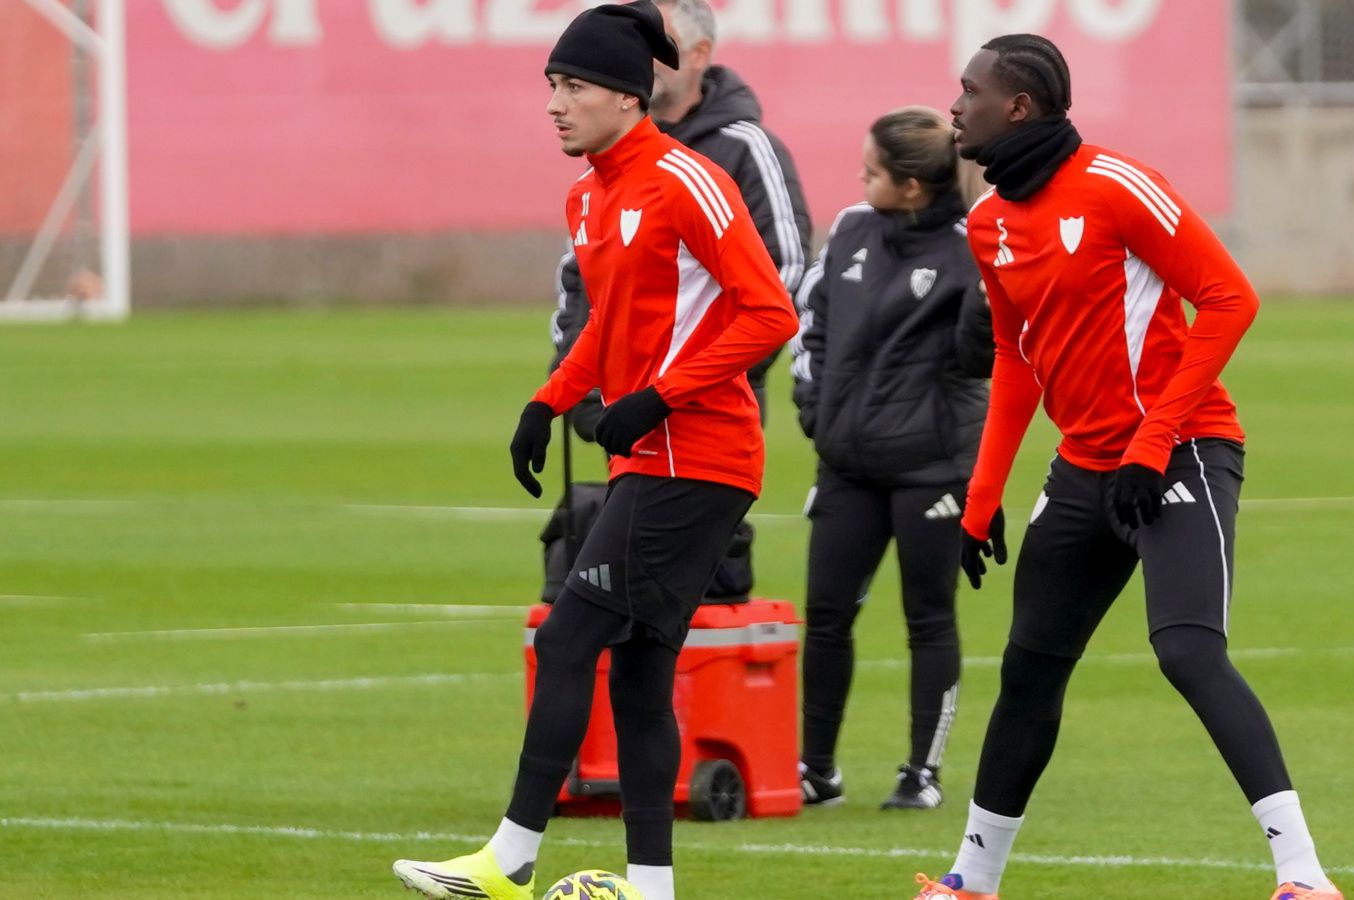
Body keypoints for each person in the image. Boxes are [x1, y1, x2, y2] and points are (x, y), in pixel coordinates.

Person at [910, 34, 1342, 900]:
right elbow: (1015, 357)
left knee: (1187, 653)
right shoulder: (989, 222)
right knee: (1030, 670)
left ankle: (1304, 877)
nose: (954, 107)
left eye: (969, 91)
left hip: (1180, 451)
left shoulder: (1115, 186)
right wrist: (981, 496)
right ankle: (970, 883)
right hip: (1084, 471)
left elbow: (1231, 300)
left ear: (1018, 107)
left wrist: (1151, 445)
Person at [391, 5, 798, 900]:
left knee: (570, 638)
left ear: (626, 95)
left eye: (572, 88)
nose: (555, 105)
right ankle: (650, 887)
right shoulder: (590, 194)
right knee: (643, 676)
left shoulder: (687, 179)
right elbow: (608, 327)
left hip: (699, 456)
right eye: (550, 87)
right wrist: (549, 401)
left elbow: (771, 311)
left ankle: (509, 859)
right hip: (650, 461)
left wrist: (660, 395)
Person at [790, 106, 993, 812]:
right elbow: (810, 325)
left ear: (912, 187)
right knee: (826, 614)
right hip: (846, 462)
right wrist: (816, 412)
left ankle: (922, 773)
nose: (859, 178)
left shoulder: (974, 247)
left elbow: (983, 356)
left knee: (928, 616)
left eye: (871, 170)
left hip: (930, 468)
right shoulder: (850, 229)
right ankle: (815, 769)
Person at [550, 0, 811, 433]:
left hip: (703, 409)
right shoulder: (610, 152)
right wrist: (570, 377)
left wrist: (689, 382)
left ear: (699, 53)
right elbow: (583, 278)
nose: (641, 56)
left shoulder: (745, 148)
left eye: (660, 44)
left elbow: (784, 270)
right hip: (621, 404)